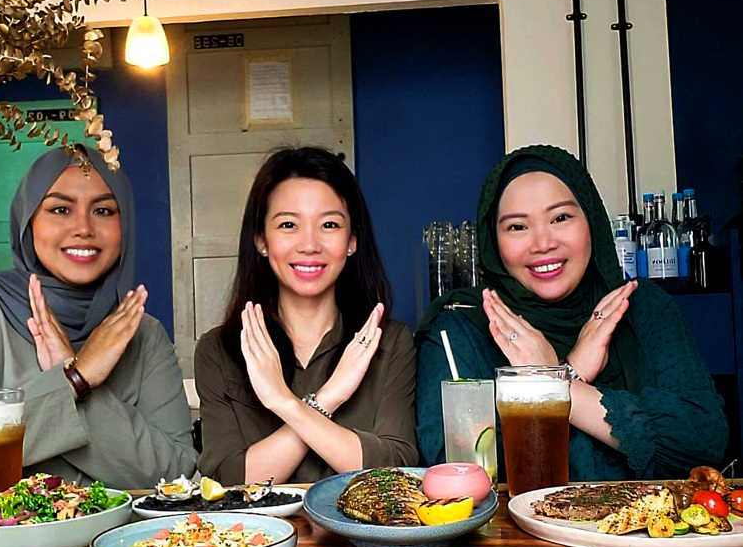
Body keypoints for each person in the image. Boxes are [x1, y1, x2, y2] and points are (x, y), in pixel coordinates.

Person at [416, 144, 728, 481]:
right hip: (514, 534)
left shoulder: (641, 305)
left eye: (561, 217)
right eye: (517, 227)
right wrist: (571, 372)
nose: (542, 243)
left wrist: (557, 385)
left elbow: (703, 444)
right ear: (494, 241)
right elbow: (458, 469)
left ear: (591, 220)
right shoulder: (460, 326)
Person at [0, 146, 196, 492]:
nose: (83, 229)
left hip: (119, 544)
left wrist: (74, 380)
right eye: (60, 209)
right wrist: (76, 378)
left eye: (104, 210)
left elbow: (174, 474)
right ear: (28, 220)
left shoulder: (141, 333)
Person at [194, 146, 418, 485]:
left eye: (329, 224)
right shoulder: (218, 350)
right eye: (288, 225)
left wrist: (285, 403)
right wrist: (329, 397)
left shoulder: (392, 343)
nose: (309, 244)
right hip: (258, 539)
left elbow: (395, 474)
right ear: (261, 241)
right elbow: (231, 484)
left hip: (363, 538)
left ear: (352, 240)